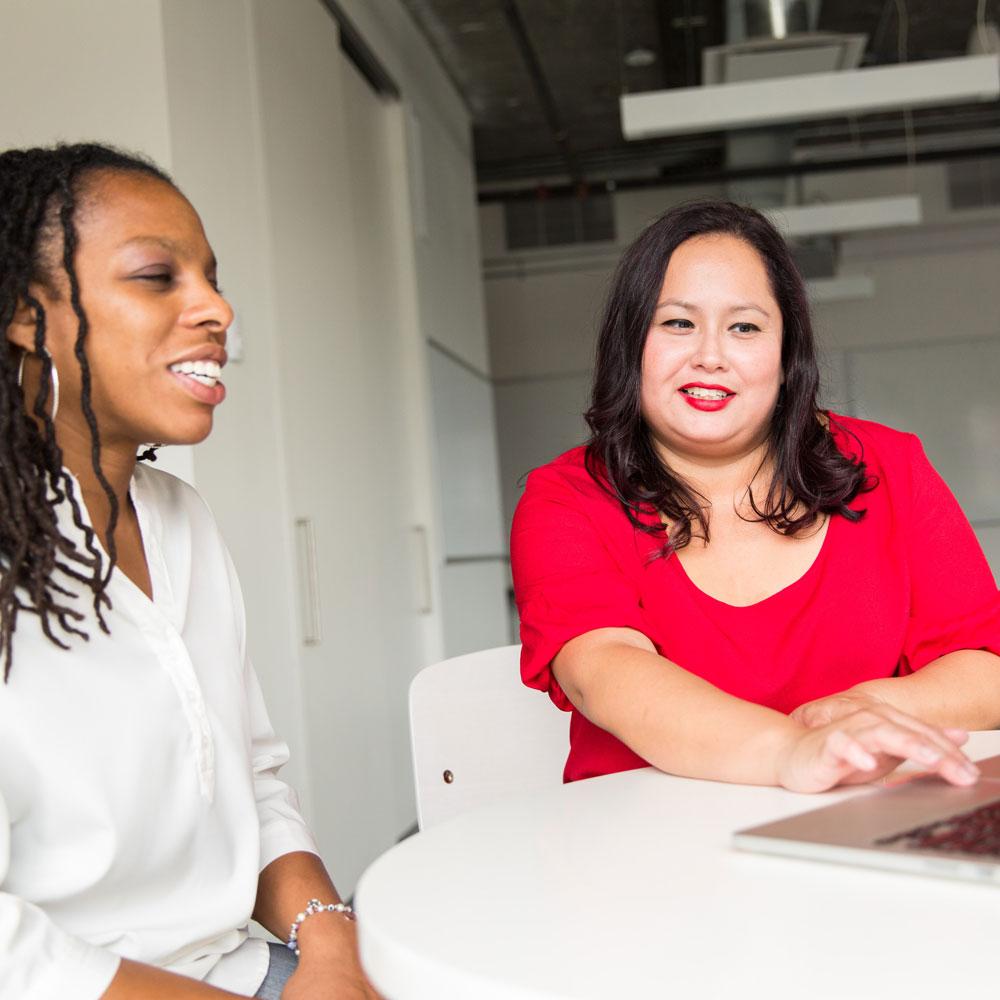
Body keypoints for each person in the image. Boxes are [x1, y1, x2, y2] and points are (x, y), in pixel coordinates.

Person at [0, 144, 379, 999]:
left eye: (211, 277)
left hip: (245, 968)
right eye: (156, 276)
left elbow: (251, 778)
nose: (216, 307)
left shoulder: (183, 522)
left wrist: (330, 951)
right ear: (28, 315)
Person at [511, 200, 1000, 794]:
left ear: (785, 353)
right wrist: (792, 750)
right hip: (646, 852)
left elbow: (985, 671)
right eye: (677, 323)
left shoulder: (890, 467)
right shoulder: (566, 500)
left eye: (744, 326)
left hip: (858, 826)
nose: (710, 355)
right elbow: (606, 673)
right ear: (630, 344)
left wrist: (855, 713)